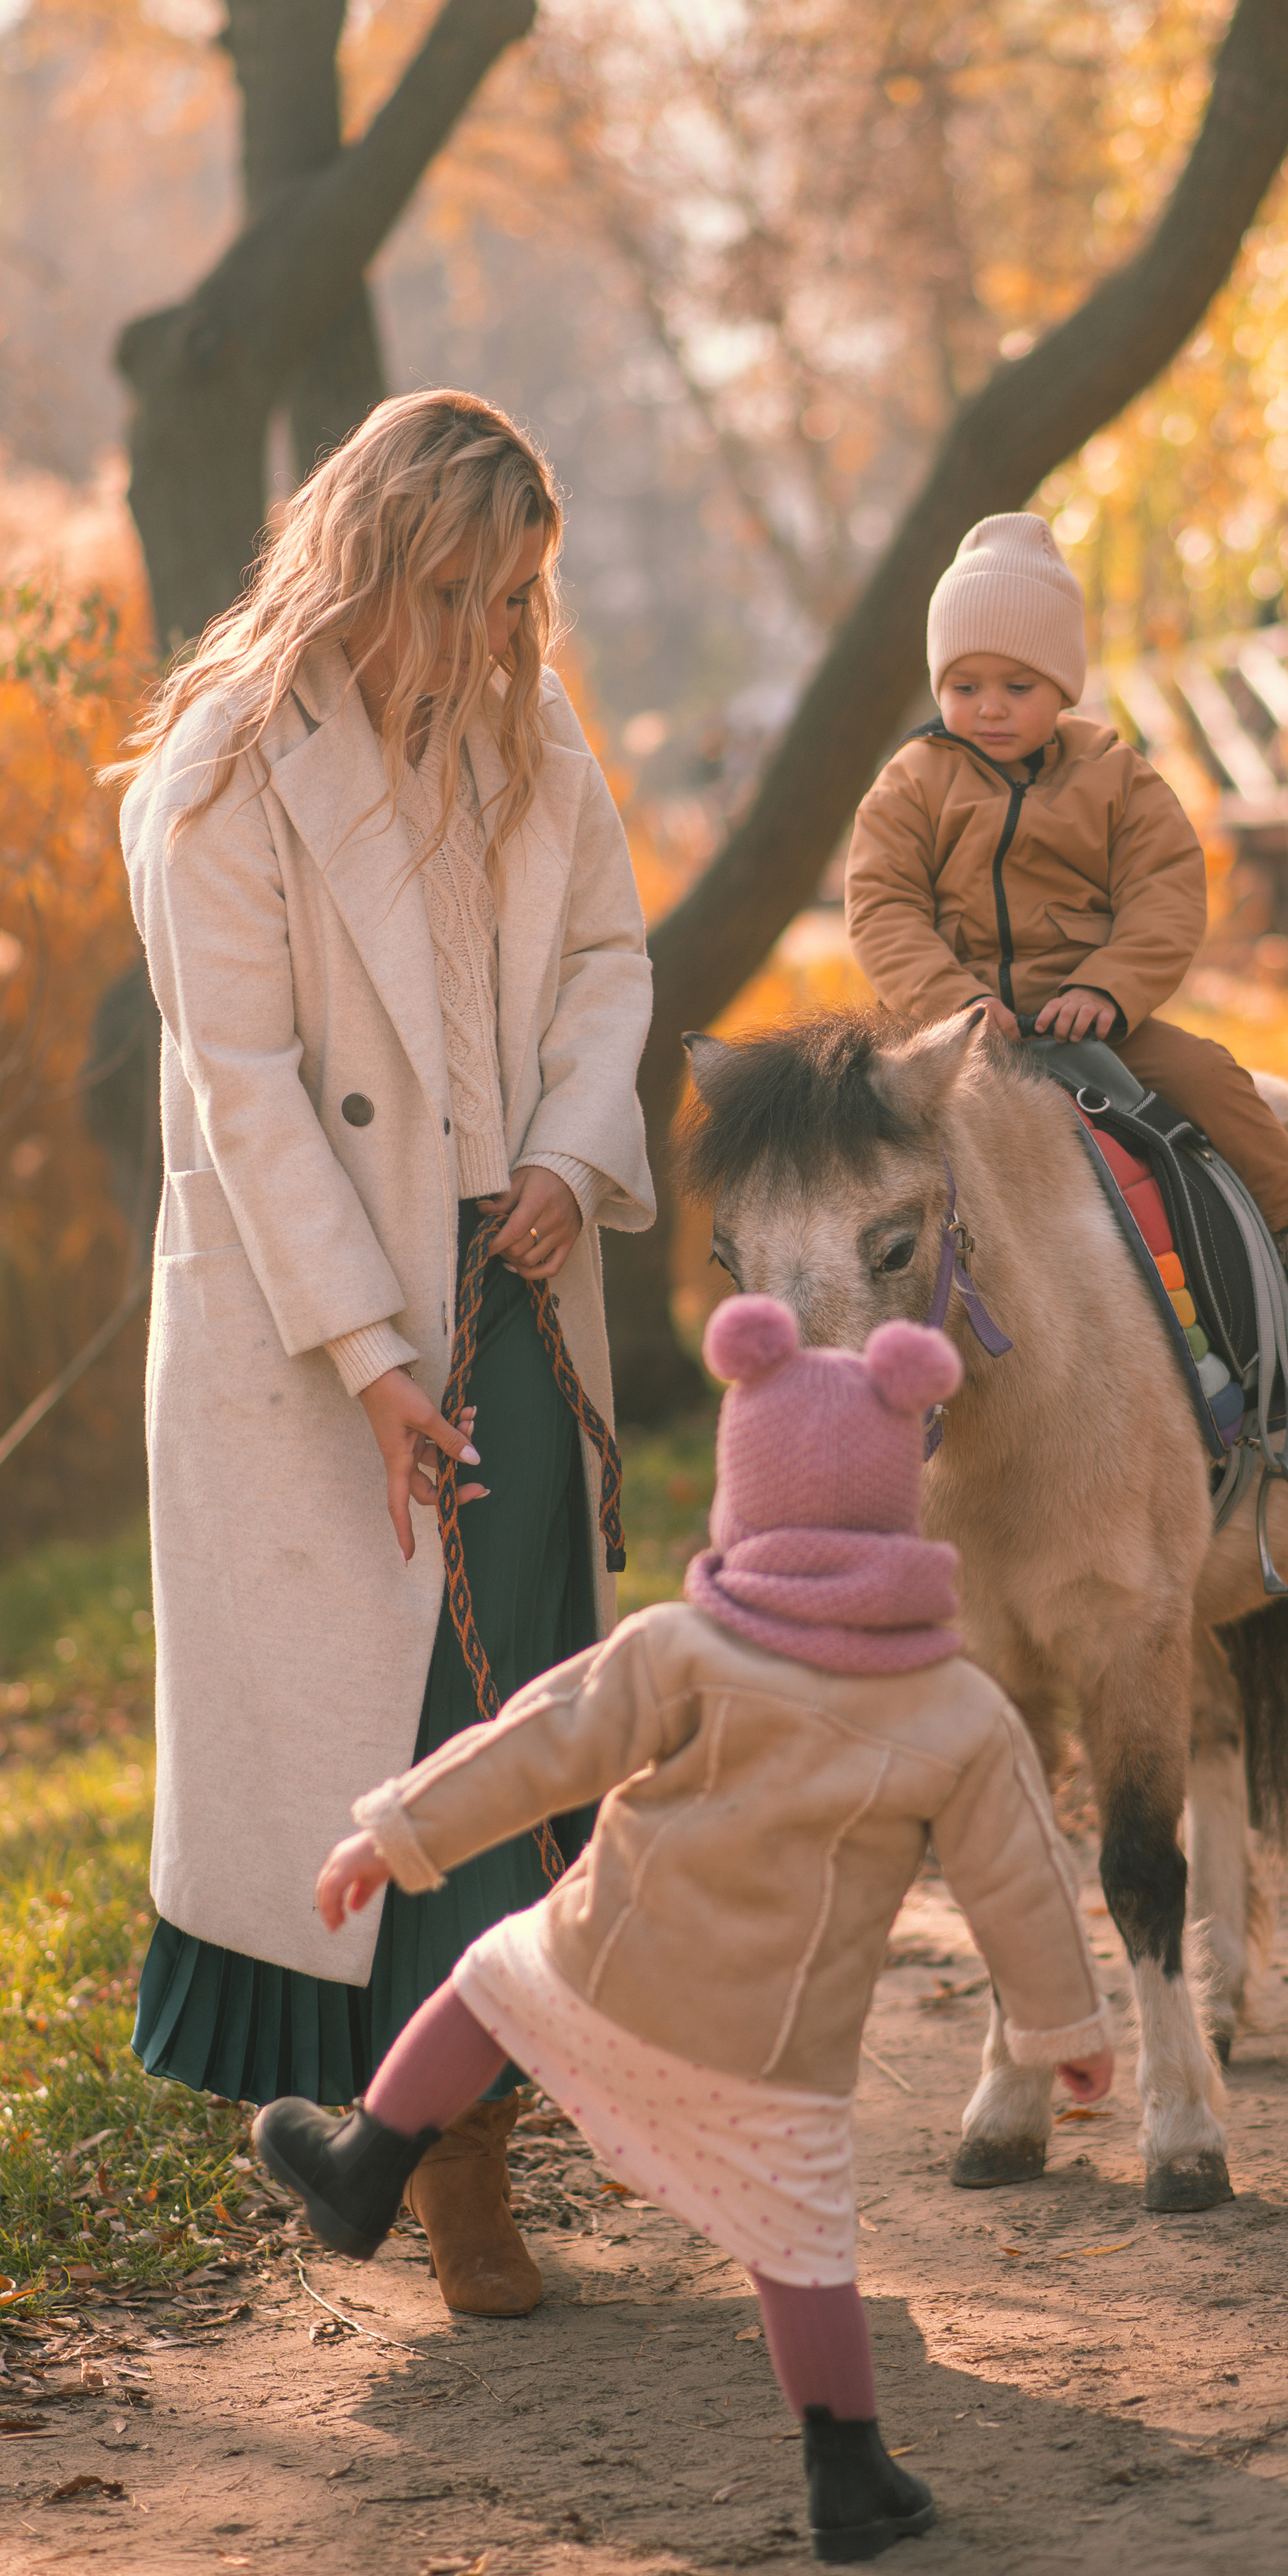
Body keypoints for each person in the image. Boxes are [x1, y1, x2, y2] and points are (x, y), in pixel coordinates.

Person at [252, 1298, 1113, 2565]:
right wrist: (1060, 2028)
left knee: (490, 1975)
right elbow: (1020, 1883)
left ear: (741, 1490)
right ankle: (847, 2469)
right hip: (778, 2045)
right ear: (899, 1502)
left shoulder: (682, 1645)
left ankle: (368, 2161)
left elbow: (536, 1742)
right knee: (801, 2237)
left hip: (606, 1968)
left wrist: (397, 1832)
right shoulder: (958, 1708)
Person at [115, 390, 655, 2320]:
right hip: (310, 1319)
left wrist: (574, 1158)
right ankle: (435, 2172)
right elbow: (244, 1082)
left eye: (521, 594)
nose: (498, 633)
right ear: (365, 556)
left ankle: (457, 2140)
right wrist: (366, 1354)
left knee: (512, 1722)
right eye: (460, 589)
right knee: (392, 1722)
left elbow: (608, 958)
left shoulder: (534, 726)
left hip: (514, 1279)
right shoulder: (221, 764)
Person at [844, 512, 1288, 1340]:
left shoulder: (1114, 775)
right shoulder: (912, 783)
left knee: (1215, 1079)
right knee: (850, 1131)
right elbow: (883, 904)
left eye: (1018, 686)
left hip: (1096, 1018)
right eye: (965, 686)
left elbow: (1165, 887)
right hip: (954, 1039)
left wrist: (1107, 987)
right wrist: (953, 1002)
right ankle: (848, 1321)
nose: (990, 709)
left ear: (1062, 686)